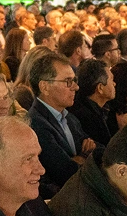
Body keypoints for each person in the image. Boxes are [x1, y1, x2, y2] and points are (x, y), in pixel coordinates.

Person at [27, 52, 94, 197]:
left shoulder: (69, 118)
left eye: (74, 80)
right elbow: (66, 172)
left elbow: (96, 148)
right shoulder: (35, 124)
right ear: (44, 87)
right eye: (68, 81)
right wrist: (84, 155)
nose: (76, 87)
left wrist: (81, 158)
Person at [71, 59, 114, 146]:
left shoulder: (99, 109)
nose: (114, 84)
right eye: (112, 80)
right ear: (100, 88)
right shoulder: (86, 119)